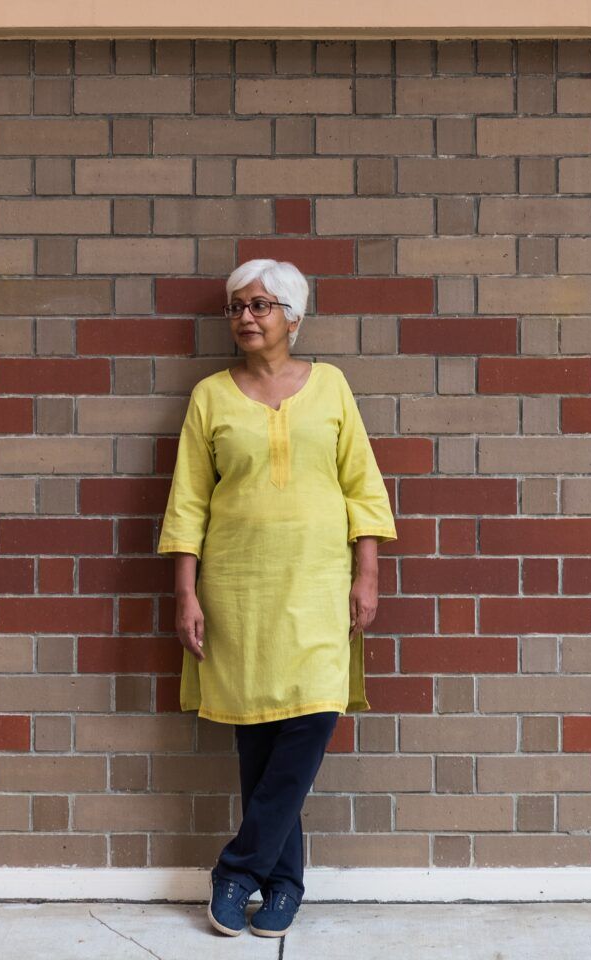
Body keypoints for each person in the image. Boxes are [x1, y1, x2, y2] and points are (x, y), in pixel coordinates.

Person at [157, 258, 398, 937]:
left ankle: (237, 871)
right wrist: (185, 593)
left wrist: (367, 573)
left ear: (293, 316)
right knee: (258, 734)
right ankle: (284, 884)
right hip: (237, 587)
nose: (246, 317)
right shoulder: (210, 396)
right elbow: (188, 500)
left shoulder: (331, 388)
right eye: (236, 307)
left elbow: (363, 486)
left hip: (320, 585)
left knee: (312, 717)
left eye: (260, 304)